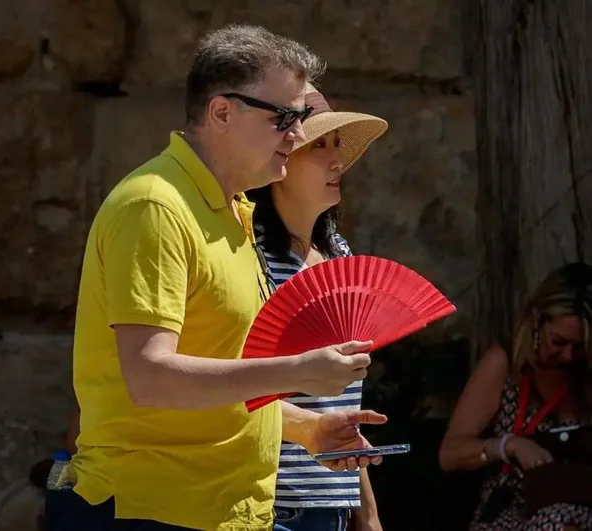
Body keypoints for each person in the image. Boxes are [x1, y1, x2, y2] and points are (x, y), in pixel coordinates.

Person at [54, 24, 389, 531]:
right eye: (286, 119)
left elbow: (218, 381)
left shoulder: (234, 213)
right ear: (222, 113)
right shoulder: (155, 205)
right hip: (155, 512)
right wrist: (295, 372)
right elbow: (150, 378)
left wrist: (308, 428)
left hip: (218, 513)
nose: (298, 136)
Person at [247, 84, 389, 531]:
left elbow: (346, 401)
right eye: (319, 146)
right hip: (272, 504)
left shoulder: (339, 254)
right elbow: (237, 390)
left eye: (338, 146)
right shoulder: (249, 257)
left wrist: (367, 511)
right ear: (281, 161)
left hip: (336, 508)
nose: (338, 161)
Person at [439, 262, 592, 531]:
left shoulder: (585, 372)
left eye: (578, 346)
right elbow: (450, 454)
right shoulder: (505, 364)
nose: (568, 356)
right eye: (559, 342)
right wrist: (509, 446)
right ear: (536, 321)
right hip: (515, 507)